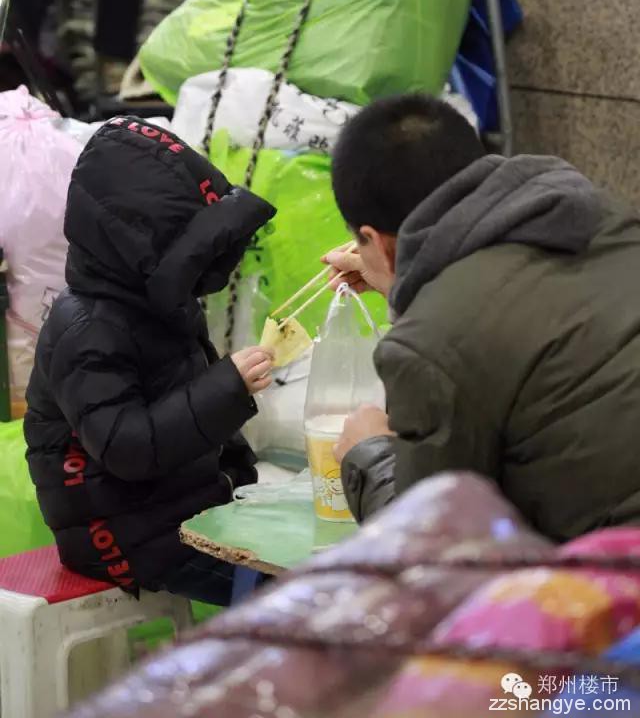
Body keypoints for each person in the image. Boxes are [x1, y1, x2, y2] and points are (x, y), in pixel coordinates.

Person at [324, 93, 640, 541]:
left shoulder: (431, 344)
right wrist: (410, 289)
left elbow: (431, 547)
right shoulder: (610, 219)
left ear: (378, 241)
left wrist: (368, 453)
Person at [25, 117, 275, 604]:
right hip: (124, 535)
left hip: (183, 508)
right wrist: (227, 387)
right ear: (137, 253)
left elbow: (187, 404)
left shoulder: (159, 304)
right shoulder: (86, 331)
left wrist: (241, 476)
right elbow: (128, 447)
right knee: (287, 592)